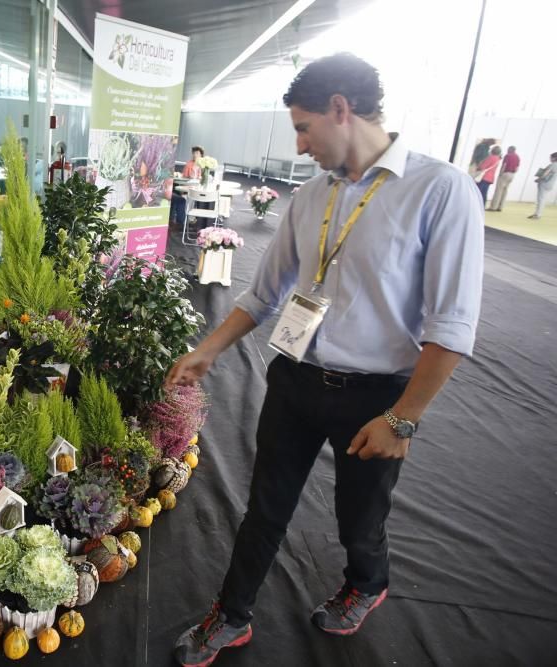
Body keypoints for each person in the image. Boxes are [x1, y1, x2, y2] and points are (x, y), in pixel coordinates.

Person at [166, 53, 483, 667]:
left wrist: (403, 419)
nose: (300, 143)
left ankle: (368, 581)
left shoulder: (440, 190)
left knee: (359, 516)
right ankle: (232, 615)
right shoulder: (312, 195)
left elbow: (451, 325)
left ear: (342, 109)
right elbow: (264, 293)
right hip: (294, 377)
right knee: (266, 505)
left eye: (304, 127)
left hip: (378, 398)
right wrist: (206, 350)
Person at [171, 146, 205, 224]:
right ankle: (188, 218)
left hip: (199, 187)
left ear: (201, 155)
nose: (194, 155)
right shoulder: (189, 163)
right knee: (188, 197)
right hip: (188, 185)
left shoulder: (204, 165)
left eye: (197, 153)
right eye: (193, 153)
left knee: (195, 196)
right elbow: (185, 176)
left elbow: (203, 177)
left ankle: (192, 218)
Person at [487, 146, 520, 211]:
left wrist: (500, 174)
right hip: (512, 174)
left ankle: (493, 207)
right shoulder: (517, 157)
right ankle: (500, 207)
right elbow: (517, 168)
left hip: (505, 173)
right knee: (505, 191)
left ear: (510, 150)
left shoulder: (508, 156)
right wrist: (513, 173)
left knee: (498, 191)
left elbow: (504, 165)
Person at [528, 152, 557, 219]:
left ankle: (537, 214)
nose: (550, 158)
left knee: (540, 199)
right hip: (550, 184)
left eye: (551, 157)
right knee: (543, 199)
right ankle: (538, 214)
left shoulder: (552, 165)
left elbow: (545, 174)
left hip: (544, 183)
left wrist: (538, 179)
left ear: (554, 158)